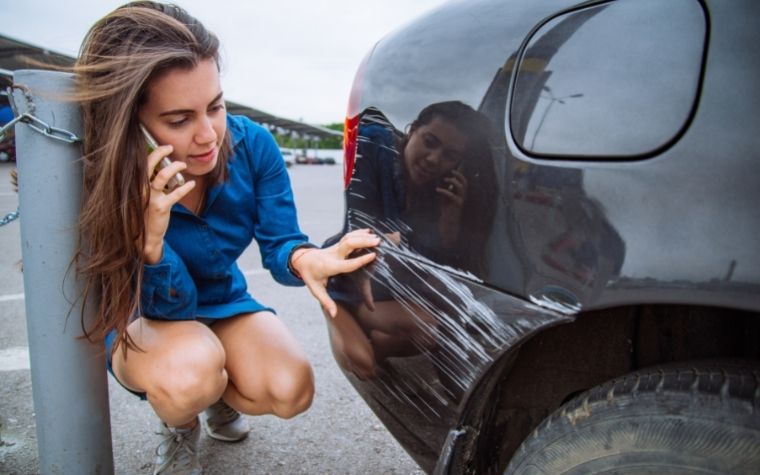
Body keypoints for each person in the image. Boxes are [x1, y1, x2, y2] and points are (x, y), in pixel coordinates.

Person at [71, 2, 379, 474]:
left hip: (221, 300)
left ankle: (216, 391)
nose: (208, 135)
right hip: (147, 312)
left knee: (291, 388)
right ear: (131, 124)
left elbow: (280, 241)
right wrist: (150, 243)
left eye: (215, 106)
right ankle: (180, 423)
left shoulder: (252, 144)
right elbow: (165, 303)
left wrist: (303, 258)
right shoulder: (105, 178)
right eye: (178, 120)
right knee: (189, 374)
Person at [325, 102, 498, 379]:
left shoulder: (435, 191)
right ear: (413, 129)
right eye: (429, 142)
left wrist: (450, 218)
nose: (433, 159)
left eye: (449, 156)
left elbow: (440, 264)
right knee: (363, 365)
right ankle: (330, 301)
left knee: (432, 327)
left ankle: (373, 329)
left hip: (389, 283)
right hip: (351, 278)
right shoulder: (375, 148)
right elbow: (363, 227)